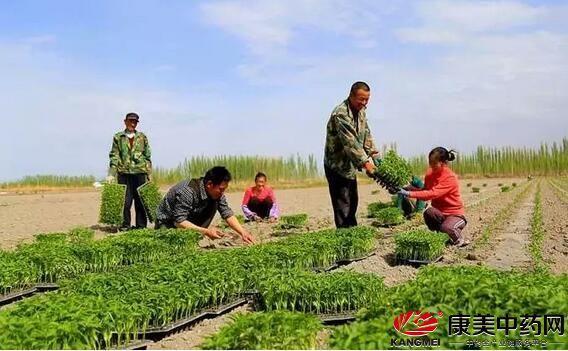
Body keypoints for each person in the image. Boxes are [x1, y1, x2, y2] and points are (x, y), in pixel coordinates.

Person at [324, 81, 380, 228]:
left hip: (349, 166)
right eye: (361, 99)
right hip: (336, 166)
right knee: (343, 204)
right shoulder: (341, 113)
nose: (364, 102)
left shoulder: (361, 112)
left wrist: (375, 155)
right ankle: (345, 237)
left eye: (367, 99)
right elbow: (351, 142)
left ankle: (352, 232)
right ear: (351, 96)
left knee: (353, 201)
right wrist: (367, 164)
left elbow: (366, 134)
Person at [155, 166, 255, 244]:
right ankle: (193, 235)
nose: (222, 192)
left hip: (186, 219)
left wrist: (243, 232)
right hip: (168, 223)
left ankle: (194, 236)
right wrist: (206, 231)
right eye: (221, 189)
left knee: (214, 204)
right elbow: (179, 221)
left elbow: (227, 213)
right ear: (209, 184)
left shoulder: (217, 194)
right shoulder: (188, 191)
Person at [398, 147, 469, 246]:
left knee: (447, 227)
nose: (431, 165)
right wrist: (408, 188)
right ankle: (441, 235)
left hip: (455, 214)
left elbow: (433, 193)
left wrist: (408, 194)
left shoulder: (450, 177)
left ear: (443, 163)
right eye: (430, 162)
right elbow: (425, 193)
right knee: (429, 212)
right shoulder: (430, 174)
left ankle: (459, 239)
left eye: (434, 163)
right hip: (439, 213)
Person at [108, 112, 151, 231]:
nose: (132, 123)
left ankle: (141, 227)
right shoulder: (118, 137)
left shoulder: (142, 137)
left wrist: (149, 174)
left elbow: (147, 156)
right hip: (124, 173)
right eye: (130, 121)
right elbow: (114, 155)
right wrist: (111, 173)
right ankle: (125, 226)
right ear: (125, 121)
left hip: (140, 173)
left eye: (135, 122)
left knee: (141, 202)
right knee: (125, 202)